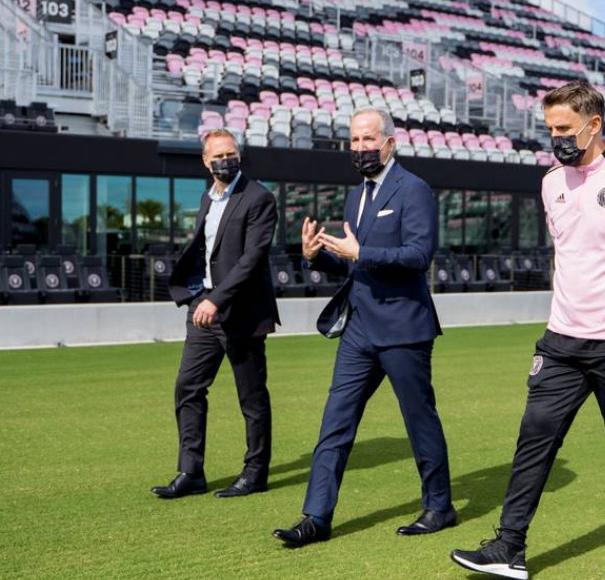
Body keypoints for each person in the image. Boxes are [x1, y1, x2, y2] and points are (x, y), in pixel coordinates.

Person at [449, 81, 605, 580]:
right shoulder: (550, 182)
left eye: (565, 129)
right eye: (550, 130)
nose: (557, 138)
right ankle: (509, 546)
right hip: (561, 342)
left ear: (595, 124)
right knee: (534, 439)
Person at [272, 106, 456, 547]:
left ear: (389, 143)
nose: (359, 149)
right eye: (354, 141)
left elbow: (418, 256)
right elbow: (357, 264)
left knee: (419, 422)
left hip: (404, 330)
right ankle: (316, 517)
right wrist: (318, 255)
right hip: (359, 330)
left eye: (368, 140)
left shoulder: (414, 190)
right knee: (335, 422)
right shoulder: (357, 195)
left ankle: (439, 506)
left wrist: (359, 254)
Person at [151, 128, 280, 500]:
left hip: (240, 312)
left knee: (251, 399)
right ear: (206, 161)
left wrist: (216, 300)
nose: (227, 159)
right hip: (203, 309)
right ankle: (191, 472)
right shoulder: (208, 198)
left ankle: (255, 472)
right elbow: (205, 250)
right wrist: (197, 297)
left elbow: (250, 261)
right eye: (219, 155)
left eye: (232, 153)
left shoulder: (259, 198)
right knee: (187, 388)